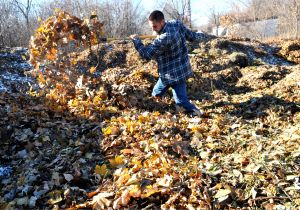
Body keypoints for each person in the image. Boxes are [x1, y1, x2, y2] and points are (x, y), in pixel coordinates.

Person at [130, 10, 215, 117]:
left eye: (155, 26)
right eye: (151, 26)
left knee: (181, 102)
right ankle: (158, 108)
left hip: (176, 76)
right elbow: (192, 36)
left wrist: (137, 41)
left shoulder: (164, 38)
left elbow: (147, 54)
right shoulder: (176, 24)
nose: (153, 29)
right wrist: (201, 34)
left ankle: (196, 113)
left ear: (162, 22)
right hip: (169, 73)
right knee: (155, 94)